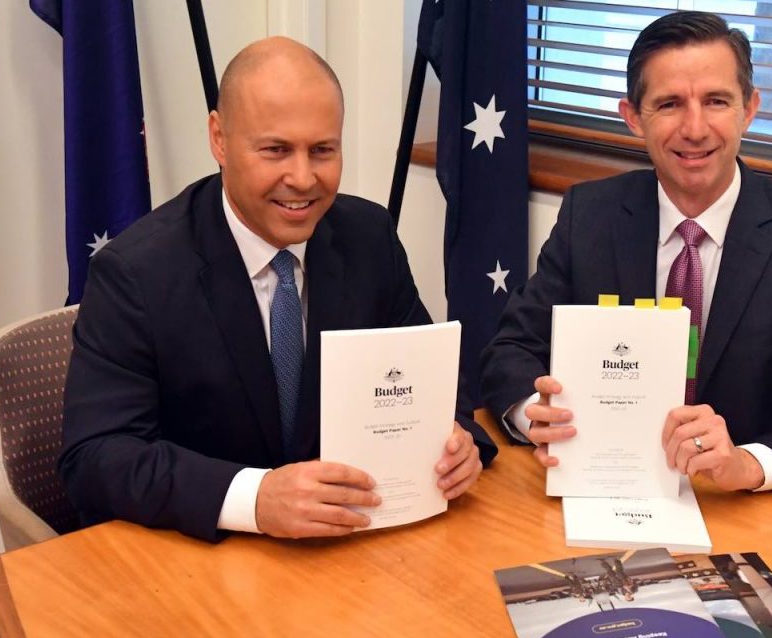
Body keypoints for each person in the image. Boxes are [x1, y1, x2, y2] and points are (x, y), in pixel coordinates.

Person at [59, 37, 495, 543]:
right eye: (276, 150)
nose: (303, 178)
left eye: (323, 150)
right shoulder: (137, 272)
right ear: (219, 138)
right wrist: (255, 498)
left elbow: (427, 377)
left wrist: (457, 439)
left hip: (351, 549)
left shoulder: (369, 236)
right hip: (201, 561)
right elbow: (95, 456)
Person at [480, 11, 772, 493]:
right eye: (669, 104)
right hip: (602, 485)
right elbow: (512, 350)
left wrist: (749, 464)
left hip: (741, 507)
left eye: (716, 101)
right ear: (633, 118)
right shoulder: (590, 215)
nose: (695, 129)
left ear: (748, 109)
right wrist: (536, 416)